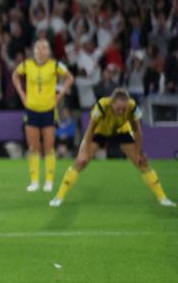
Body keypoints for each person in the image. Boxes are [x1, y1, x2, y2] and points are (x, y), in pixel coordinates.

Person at [50, 88, 175, 208]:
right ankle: (59, 196)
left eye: (123, 109)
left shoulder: (132, 106)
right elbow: (89, 131)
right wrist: (83, 151)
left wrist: (139, 151)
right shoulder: (102, 106)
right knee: (81, 162)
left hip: (121, 131)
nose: (121, 111)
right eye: (118, 108)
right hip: (100, 132)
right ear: (112, 103)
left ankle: (162, 198)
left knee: (141, 162)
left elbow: (137, 130)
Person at [12, 39, 74, 193]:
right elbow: (15, 76)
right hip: (31, 109)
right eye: (38, 48)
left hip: (48, 110)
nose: (41, 51)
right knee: (33, 147)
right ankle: (34, 181)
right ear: (34, 51)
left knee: (48, 146)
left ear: (49, 51)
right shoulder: (27, 64)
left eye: (44, 48)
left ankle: (49, 181)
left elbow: (70, 78)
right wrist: (22, 95)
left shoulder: (54, 65)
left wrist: (58, 97)